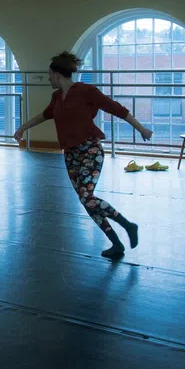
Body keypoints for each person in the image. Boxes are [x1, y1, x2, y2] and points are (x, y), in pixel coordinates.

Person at [13, 51, 152, 259]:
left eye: (50, 74)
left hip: (90, 150)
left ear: (58, 75)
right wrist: (23, 128)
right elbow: (45, 115)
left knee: (87, 197)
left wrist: (141, 129)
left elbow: (118, 109)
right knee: (86, 200)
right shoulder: (57, 97)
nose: (49, 78)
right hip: (70, 154)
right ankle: (116, 244)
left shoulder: (86, 91)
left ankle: (128, 225)